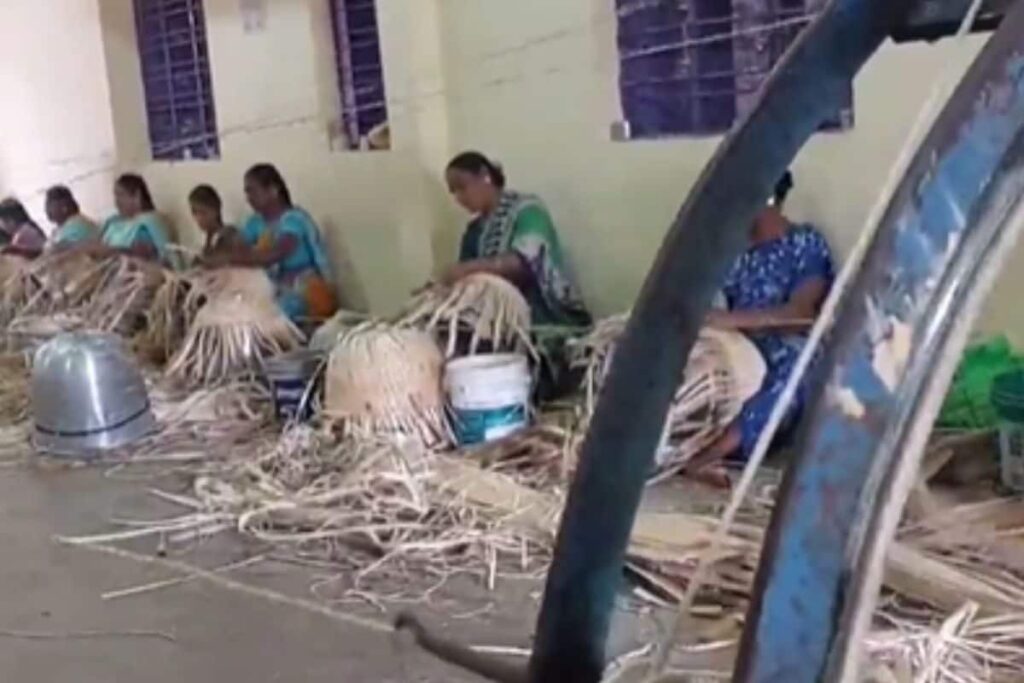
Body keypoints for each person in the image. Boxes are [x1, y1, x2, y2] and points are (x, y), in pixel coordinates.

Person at [687, 171, 835, 486]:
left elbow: (801, 315)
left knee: (793, 371)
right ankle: (680, 444)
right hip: (739, 344)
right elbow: (707, 305)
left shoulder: (804, 242)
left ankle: (707, 457)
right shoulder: (732, 253)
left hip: (787, 343)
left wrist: (734, 320)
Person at [443, 151, 590, 329]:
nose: (459, 198)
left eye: (461, 187)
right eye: (453, 192)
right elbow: (465, 285)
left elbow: (524, 263)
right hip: (497, 324)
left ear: (485, 176)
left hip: (545, 320)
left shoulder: (528, 210)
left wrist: (466, 269)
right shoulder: (474, 232)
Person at [206, 163, 336, 324]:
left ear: (273, 190)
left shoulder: (295, 220)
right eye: (246, 192)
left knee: (264, 317)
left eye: (252, 191)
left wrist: (228, 258)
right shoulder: (256, 222)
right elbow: (237, 247)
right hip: (276, 292)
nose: (248, 198)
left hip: (308, 295)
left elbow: (275, 254)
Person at [97, 173, 172, 263]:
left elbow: (142, 255)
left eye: (121, 195)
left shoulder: (148, 222)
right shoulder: (113, 221)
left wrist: (110, 252)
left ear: (137, 195)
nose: (116, 202)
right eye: (115, 196)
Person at [189, 184, 240, 259]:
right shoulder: (203, 239)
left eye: (203, 212)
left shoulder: (229, 235)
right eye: (194, 212)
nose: (198, 218)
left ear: (216, 210)